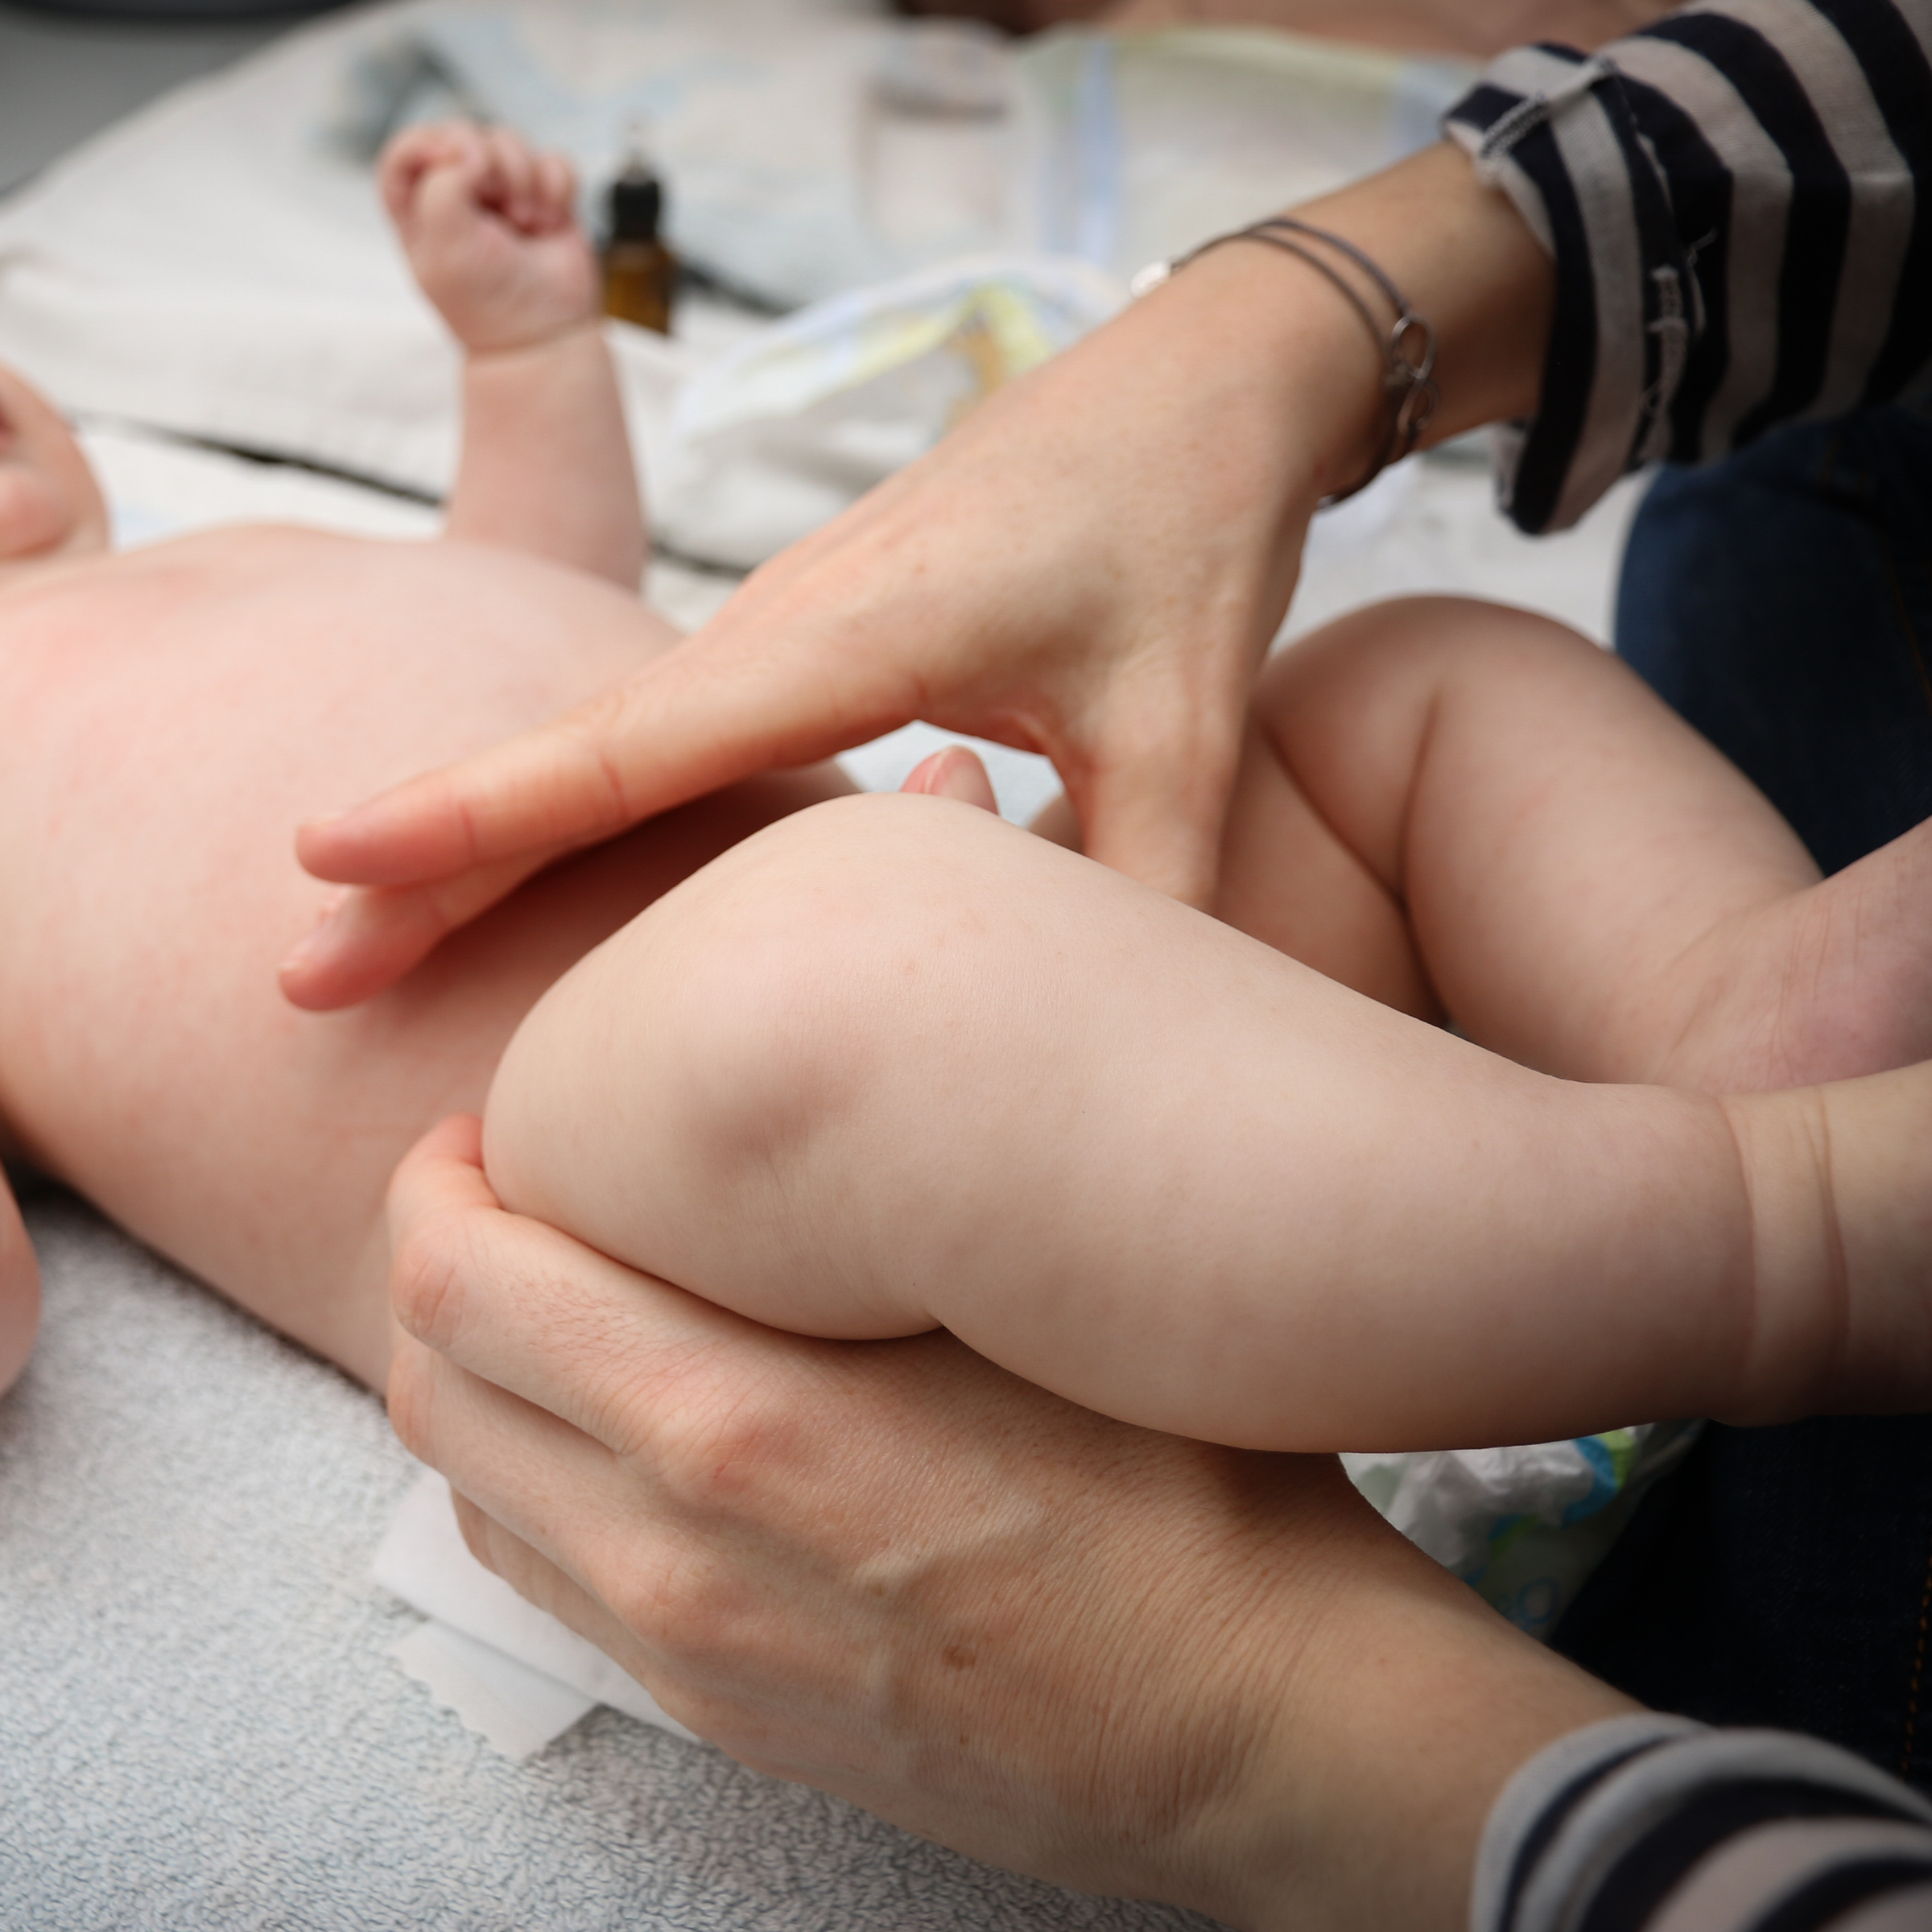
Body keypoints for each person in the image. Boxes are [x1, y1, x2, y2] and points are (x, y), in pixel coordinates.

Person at [295, 0, 1932, 1923]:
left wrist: (526, 358)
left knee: (1399, 683)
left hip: (1041, 1052)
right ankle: (1786, 1236)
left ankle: (1723, 1011)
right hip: (654, 1223)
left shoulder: (217, 559)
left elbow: (533, 586)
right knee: (846, 961)